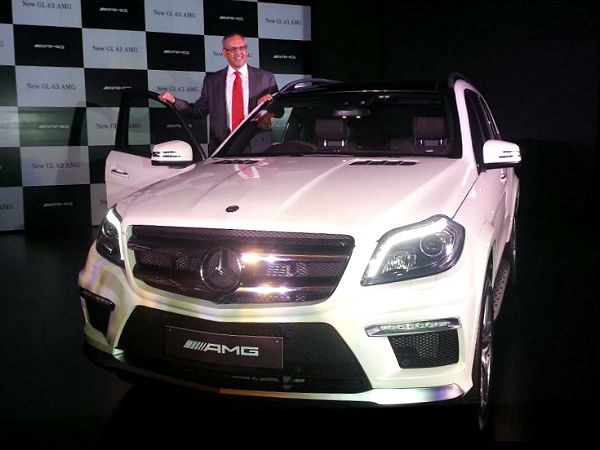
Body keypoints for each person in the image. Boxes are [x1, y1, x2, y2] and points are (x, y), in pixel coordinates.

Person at [159, 32, 278, 152]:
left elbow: (278, 109)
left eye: (242, 48)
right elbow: (199, 111)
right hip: (223, 147)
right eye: (233, 49)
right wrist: (174, 101)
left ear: (246, 50)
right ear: (224, 53)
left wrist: (269, 110)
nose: (238, 53)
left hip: (258, 147)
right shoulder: (212, 81)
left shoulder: (266, 78)